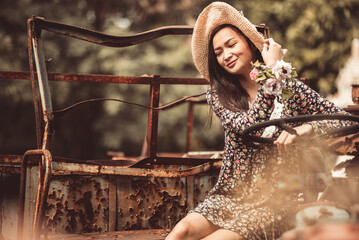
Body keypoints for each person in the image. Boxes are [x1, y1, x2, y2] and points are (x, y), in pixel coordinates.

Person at [165, 2, 353, 240]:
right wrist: (272, 73)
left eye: (231, 44)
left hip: (276, 201)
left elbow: (345, 122)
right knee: (182, 231)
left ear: (250, 44)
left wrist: (308, 127)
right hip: (231, 195)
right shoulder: (218, 93)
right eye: (219, 52)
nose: (226, 55)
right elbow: (250, 126)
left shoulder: (289, 87)